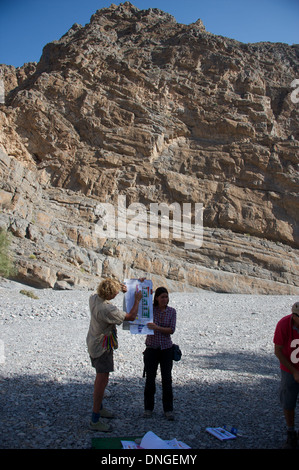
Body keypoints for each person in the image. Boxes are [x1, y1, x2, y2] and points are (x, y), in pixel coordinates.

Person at [86, 278, 142, 432]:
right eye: (116, 292)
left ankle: (100, 407)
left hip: (93, 341)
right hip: (102, 347)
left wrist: (125, 291)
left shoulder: (94, 298)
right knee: (102, 379)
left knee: (101, 377)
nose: (118, 294)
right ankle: (95, 419)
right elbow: (130, 316)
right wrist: (136, 300)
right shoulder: (107, 310)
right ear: (110, 294)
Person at [143, 286, 177, 420]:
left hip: (166, 349)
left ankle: (168, 409)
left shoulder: (172, 311)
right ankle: (148, 408)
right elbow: (138, 304)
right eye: (162, 297)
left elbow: (171, 329)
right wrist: (141, 286)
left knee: (167, 380)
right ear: (156, 298)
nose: (165, 299)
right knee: (150, 379)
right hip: (151, 348)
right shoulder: (150, 310)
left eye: (166, 297)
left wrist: (157, 328)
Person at [273, 301, 299, 449]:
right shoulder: (283, 324)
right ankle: (290, 432)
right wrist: (294, 371)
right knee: (288, 399)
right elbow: (278, 351)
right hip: (289, 368)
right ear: (294, 316)